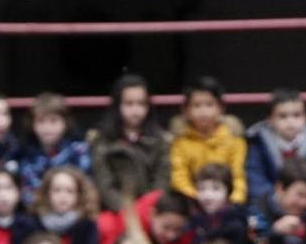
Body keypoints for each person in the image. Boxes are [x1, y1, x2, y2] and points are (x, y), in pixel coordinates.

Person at [88, 73, 172, 210]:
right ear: (117, 106)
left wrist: (147, 206)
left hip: (152, 210)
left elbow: (162, 181)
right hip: (117, 211)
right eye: (129, 104)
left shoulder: (161, 140)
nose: (135, 110)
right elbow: (104, 185)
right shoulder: (102, 140)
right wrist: (128, 209)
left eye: (141, 104)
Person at [245, 88, 306, 213]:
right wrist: (278, 202)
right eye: (282, 116)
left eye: (297, 115)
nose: (290, 121)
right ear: (270, 119)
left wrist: (304, 201)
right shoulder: (259, 142)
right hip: (270, 209)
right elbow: (256, 179)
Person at [169, 76, 247, 205]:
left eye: (209, 105)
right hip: (192, 203)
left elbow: (238, 177)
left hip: (227, 204)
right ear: (186, 111)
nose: (203, 111)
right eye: (197, 105)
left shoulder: (234, 140)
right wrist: (201, 199)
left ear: (221, 108)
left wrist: (234, 201)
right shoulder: (180, 142)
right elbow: (179, 178)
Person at [18, 92, 91, 206]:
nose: (47, 128)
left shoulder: (78, 151)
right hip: (39, 214)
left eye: (54, 121)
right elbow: (28, 192)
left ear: (65, 123)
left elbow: (86, 189)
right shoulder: (27, 154)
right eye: (41, 121)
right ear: (32, 124)